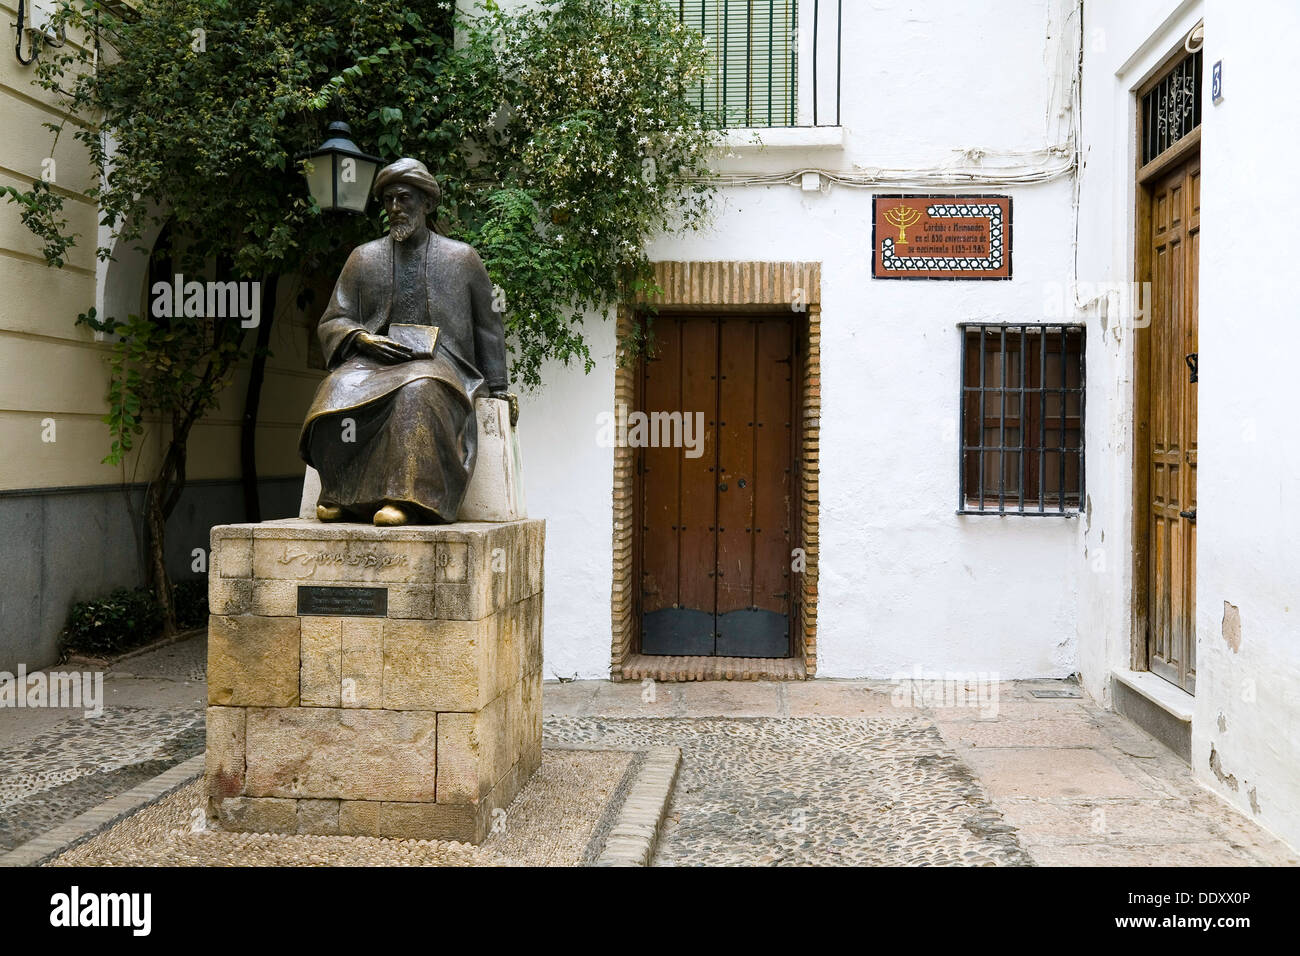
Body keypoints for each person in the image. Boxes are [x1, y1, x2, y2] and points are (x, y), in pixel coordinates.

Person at [298, 157, 512, 526]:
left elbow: (488, 326)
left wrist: (499, 387)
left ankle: (404, 499)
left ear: (426, 203)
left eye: (405, 199)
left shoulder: (462, 258)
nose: (396, 208)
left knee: (418, 391)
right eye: (389, 200)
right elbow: (335, 318)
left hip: (442, 361)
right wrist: (361, 337)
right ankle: (341, 495)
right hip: (374, 359)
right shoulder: (363, 258)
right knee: (335, 388)